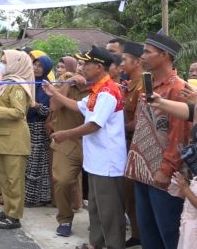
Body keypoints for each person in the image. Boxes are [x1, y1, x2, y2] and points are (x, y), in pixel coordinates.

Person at [44, 45, 127, 249]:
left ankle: (114, 245)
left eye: (86, 64)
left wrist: (66, 134)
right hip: (96, 160)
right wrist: (55, 92)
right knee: (96, 208)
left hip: (107, 161)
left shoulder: (107, 92)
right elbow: (78, 106)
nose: (83, 67)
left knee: (109, 211)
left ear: (98, 67)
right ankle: (95, 244)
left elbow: (94, 124)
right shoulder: (97, 90)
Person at [125, 32, 192, 249]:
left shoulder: (177, 89)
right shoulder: (149, 84)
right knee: (148, 233)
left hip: (163, 175)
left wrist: (166, 169)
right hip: (143, 171)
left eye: (147, 52)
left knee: (168, 233)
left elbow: (179, 134)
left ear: (164, 55)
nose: (141, 56)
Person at [0, 49, 33, 230]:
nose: (2, 64)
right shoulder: (6, 83)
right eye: (1, 61)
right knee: (4, 179)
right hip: (2, 138)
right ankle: (7, 210)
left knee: (14, 180)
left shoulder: (17, 86)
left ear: (16, 64)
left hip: (14, 140)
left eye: (4, 61)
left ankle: (15, 216)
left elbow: (19, 112)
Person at [48, 56, 87, 238]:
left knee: (96, 188)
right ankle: (64, 219)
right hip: (66, 141)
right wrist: (68, 84)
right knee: (62, 180)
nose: (81, 67)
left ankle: (97, 222)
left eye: (86, 64)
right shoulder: (65, 83)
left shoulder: (100, 87)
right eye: (80, 64)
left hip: (92, 142)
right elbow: (54, 106)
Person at [120, 41, 144, 247]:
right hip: (126, 143)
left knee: (133, 194)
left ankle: (141, 235)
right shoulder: (129, 84)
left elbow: (139, 122)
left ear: (137, 62)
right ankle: (137, 234)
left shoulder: (144, 84)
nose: (120, 63)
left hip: (134, 143)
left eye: (124, 59)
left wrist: (116, 128)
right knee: (129, 196)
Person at [26, 54, 52, 207]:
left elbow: (48, 111)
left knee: (36, 164)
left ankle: (34, 198)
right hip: (27, 125)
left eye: (40, 66)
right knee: (28, 163)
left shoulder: (46, 85)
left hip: (38, 128)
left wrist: (35, 105)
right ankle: (29, 196)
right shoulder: (28, 82)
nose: (35, 68)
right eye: (34, 65)